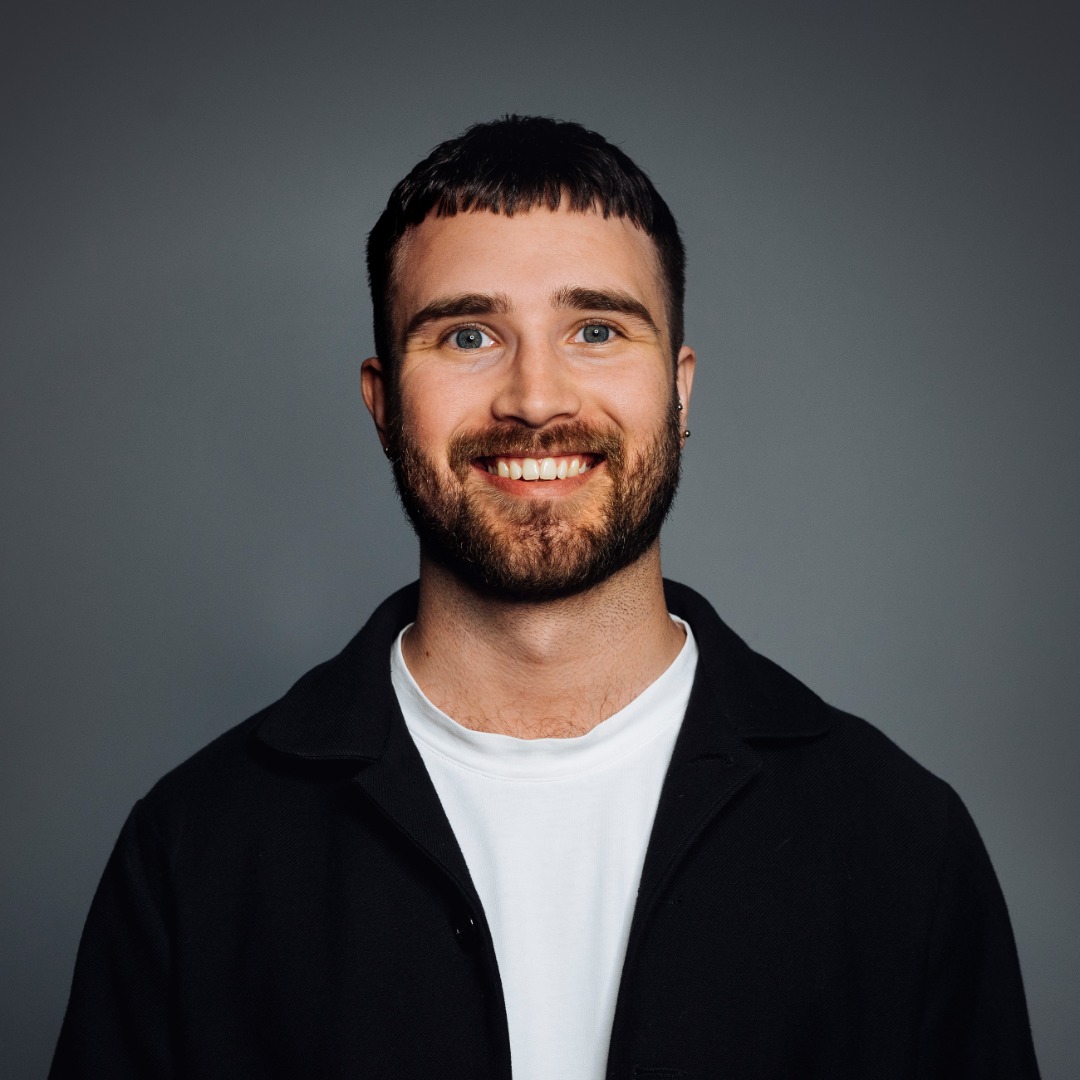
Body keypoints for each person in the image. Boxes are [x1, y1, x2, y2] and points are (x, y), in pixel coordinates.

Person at [49, 116, 1040, 1079]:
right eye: (468, 334)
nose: (534, 398)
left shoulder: (899, 839)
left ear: (680, 393)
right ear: (384, 404)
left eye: (596, 330)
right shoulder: (195, 848)